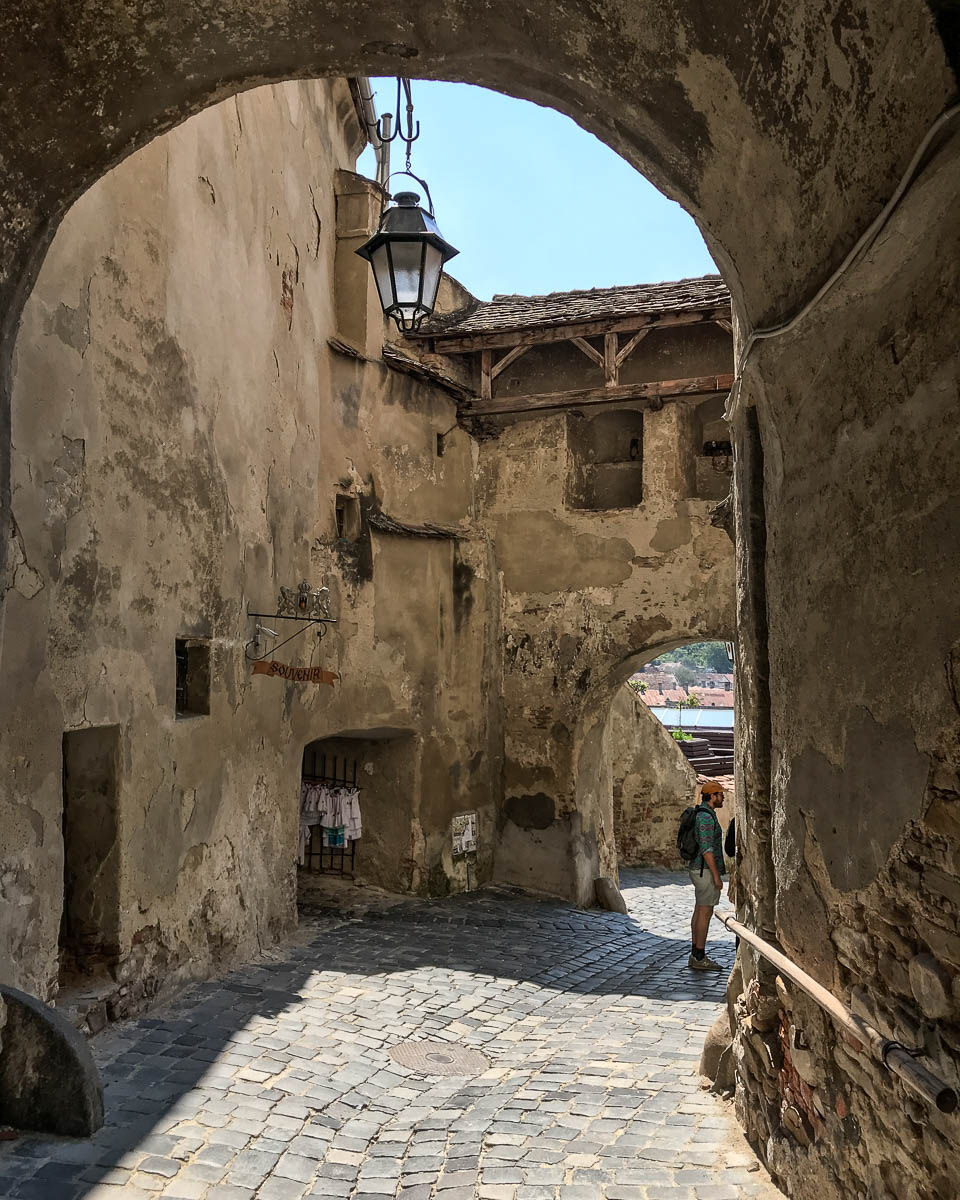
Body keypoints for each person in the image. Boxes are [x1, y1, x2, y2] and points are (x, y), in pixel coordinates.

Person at [688, 780, 726, 970]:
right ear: (712, 796)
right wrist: (717, 876)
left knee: (699, 910)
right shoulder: (705, 817)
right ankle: (699, 956)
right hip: (704, 871)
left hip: (700, 870)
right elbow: (707, 849)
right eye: (720, 794)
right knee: (705, 912)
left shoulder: (705, 814)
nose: (723, 797)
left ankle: (695, 953)